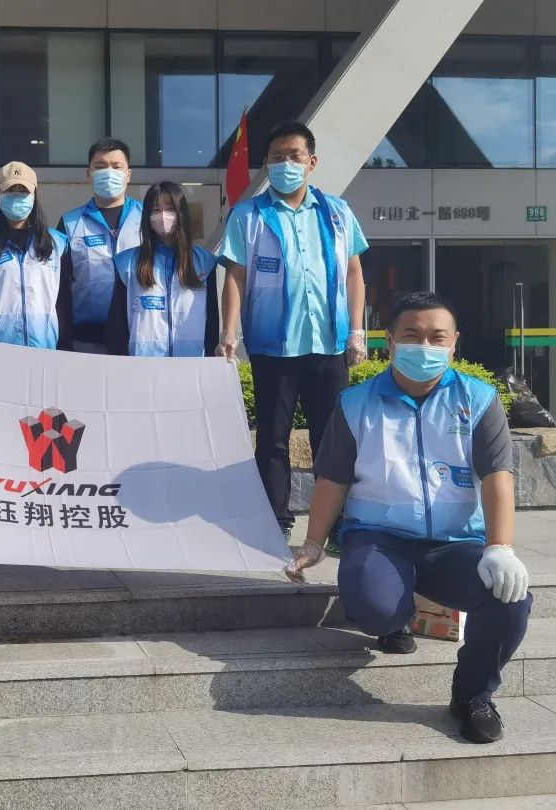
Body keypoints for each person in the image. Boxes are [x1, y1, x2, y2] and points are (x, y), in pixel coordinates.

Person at [286, 292, 531, 744]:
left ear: (454, 342)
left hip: (456, 543)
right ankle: (395, 614)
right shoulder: (356, 402)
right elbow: (332, 478)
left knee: (510, 599)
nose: (425, 346)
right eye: (412, 335)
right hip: (378, 538)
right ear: (391, 341)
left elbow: (498, 476)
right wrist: (313, 542)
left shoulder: (479, 399)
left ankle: (473, 696)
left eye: (437, 337)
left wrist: (499, 548)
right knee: (377, 610)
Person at [217, 120, 368, 544]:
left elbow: (354, 273)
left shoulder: (337, 212)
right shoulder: (248, 215)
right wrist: (229, 332)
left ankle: (336, 523)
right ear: (266, 164)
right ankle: (275, 521)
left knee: (332, 440)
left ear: (311, 161)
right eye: (277, 157)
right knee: (272, 440)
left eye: (294, 156)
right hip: (273, 349)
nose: (286, 164)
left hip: (328, 346)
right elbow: (235, 276)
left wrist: (358, 331)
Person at [0, 161, 71, 349]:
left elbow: (64, 303)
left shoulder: (57, 244)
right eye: (10, 190)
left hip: (45, 350)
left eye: (23, 191)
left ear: (34, 195)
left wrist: (65, 347)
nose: (17, 196)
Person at [107, 181, 219, 357]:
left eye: (170, 209)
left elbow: (212, 322)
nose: (163, 216)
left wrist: (211, 362)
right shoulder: (126, 263)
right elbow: (117, 325)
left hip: (191, 364)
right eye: (156, 210)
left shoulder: (204, 262)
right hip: (142, 366)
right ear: (147, 216)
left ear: (181, 213)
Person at [59, 137, 143, 353]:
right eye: (100, 166)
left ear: (128, 174)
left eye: (116, 166)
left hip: (138, 335)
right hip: (86, 339)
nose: (108, 172)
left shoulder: (146, 218)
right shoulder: (70, 223)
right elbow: (61, 289)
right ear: (88, 174)